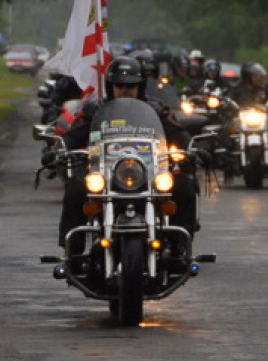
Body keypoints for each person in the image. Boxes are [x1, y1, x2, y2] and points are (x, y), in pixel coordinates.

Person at [53, 56, 198, 254]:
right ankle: (73, 251)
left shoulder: (155, 110)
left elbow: (176, 131)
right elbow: (75, 134)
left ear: (141, 86)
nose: (125, 90)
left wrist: (192, 147)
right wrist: (59, 149)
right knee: (76, 186)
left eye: (131, 86)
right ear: (110, 86)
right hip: (105, 174)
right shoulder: (95, 110)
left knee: (184, 185)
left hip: (150, 173)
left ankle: (180, 246)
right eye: (120, 85)